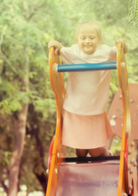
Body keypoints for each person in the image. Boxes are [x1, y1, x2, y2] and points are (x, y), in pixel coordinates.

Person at [48, 21, 128, 158]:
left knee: (95, 151)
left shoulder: (105, 52)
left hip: (94, 109)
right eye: (83, 38)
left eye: (92, 37)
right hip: (74, 109)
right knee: (80, 152)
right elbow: (59, 49)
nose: (87, 41)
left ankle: (106, 155)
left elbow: (121, 51)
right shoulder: (74, 52)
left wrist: (122, 44)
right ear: (77, 39)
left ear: (99, 40)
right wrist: (53, 44)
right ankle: (83, 177)